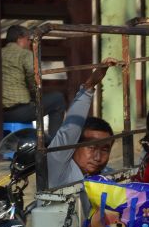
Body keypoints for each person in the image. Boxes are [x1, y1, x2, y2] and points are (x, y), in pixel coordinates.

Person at [48, 58, 118, 190]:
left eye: (104, 149)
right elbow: (70, 129)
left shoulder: (109, 175)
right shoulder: (59, 167)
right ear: (75, 146)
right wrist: (89, 86)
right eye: (91, 148)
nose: (97, 158)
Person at [2, 25, 66, 137]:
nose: (30, 43)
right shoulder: (24, 54)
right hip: (17, 112)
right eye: (28, 40)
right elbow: (34, 79)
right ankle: (54, 144)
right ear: (20, 38)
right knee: (58, 99)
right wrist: (35, 94)